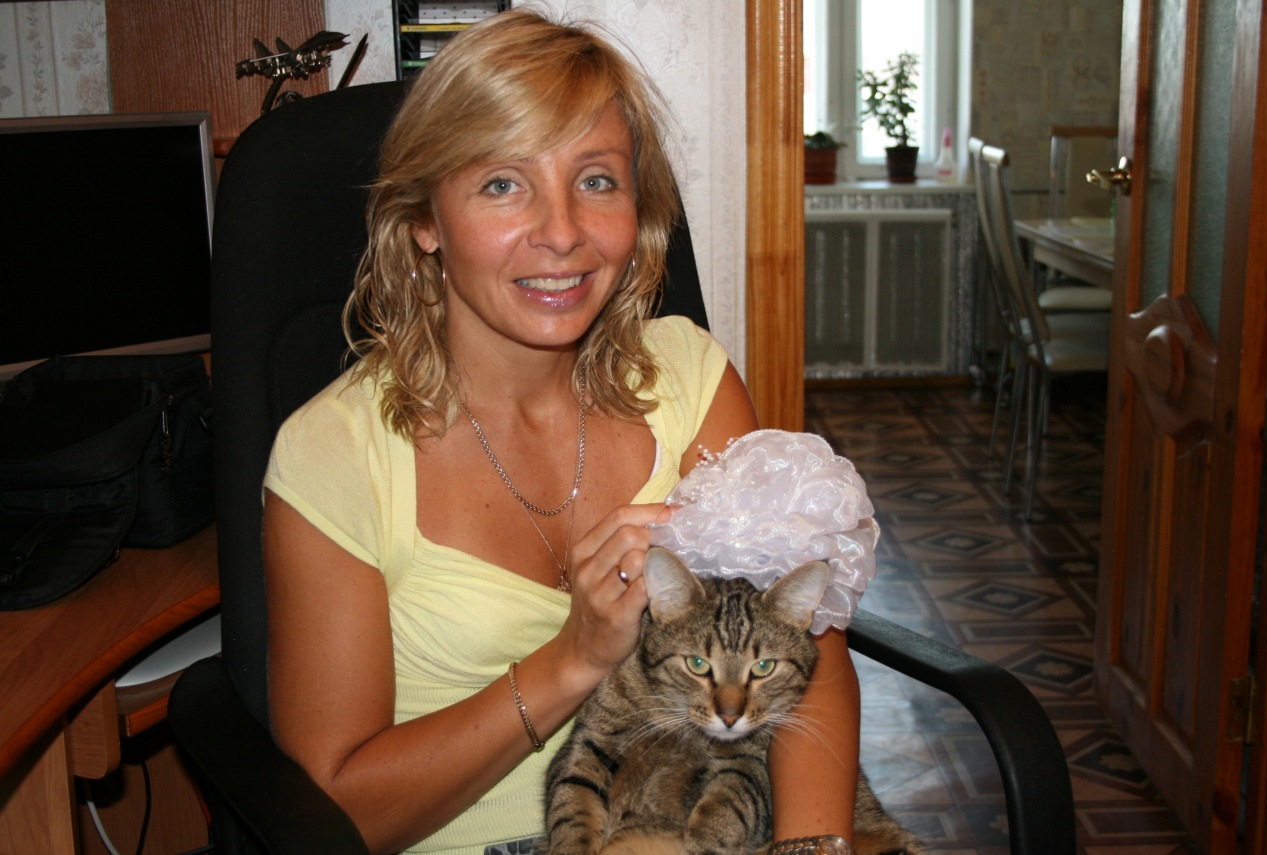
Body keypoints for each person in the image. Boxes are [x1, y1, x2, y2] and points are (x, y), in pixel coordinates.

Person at [261, 9, 861, 854]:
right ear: (424, 220)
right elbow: (340, 813)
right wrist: (572, 659)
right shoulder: (332, 455)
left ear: (638, 210)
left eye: (597, 180)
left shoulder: (691, 380)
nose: (563, 232)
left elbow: (812, 655)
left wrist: (811, 847)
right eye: (503, 184)